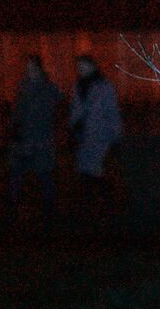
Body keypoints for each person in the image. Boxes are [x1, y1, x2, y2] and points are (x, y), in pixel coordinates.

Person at [8, 54, 62, 219]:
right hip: (25, 139)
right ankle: (14, 204)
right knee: (18, 173)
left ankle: (49, 206)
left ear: (39, 68)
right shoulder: (24, 86)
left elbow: (53, 107)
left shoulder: (47, 88)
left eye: (32, 67)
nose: (29, 70)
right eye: (28, 67)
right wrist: (15, 130)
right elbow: (18, 111)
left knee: (43, 173)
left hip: (39, 138)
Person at [69, 55, 123, 199]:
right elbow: (75, 108)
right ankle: (92, 206)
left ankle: (103, 205)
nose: (80, 69)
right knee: (85, 173)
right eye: (79, 67)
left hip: (100, 135)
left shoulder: (105, 86)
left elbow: (113, 112)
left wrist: (116, 137)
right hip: (83, 136)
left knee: (97, 172)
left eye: (83, 66)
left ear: (92, 66)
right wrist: (73, 126)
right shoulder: (78, 86)